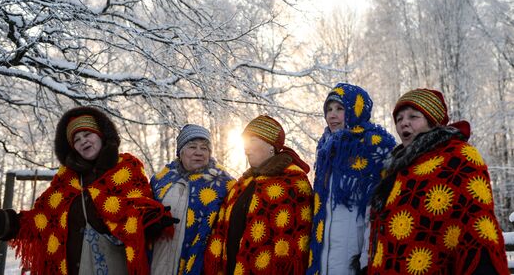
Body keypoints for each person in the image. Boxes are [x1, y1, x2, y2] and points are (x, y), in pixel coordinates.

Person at [0, 106, 176, 275]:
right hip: (73, 267)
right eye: (77, 139)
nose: (83, 140)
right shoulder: (65, 181)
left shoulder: (126, 168)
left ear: (102, 136)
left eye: (87, 134)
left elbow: (138, 206)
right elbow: (40, 220)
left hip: (116, 264)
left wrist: (151, 220)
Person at [367, 88, 510, 274]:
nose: (404, 123)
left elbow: (476, 224)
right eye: (399, 119)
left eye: (413, 116)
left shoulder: (458, 157)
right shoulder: (396, 168)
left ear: (432, 121)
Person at [204, 115, 313, 274]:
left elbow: (296, 240)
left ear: (271, 145)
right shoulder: (242, 184)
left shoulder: (293, 181)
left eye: (252, 141)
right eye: (245, 142)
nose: (246, 148)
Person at [307, 83, 396, 275]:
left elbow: (378, 211)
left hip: (355, 260)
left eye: (340, 109)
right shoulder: (325, 152)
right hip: (323, 261)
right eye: (329, 109)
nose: (332, 115)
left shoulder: (374, 150)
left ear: (356, 110)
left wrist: (365, 261)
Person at [149, 124, 234, 274]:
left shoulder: (223, 184)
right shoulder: (161, 181)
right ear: (180, 152)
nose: (199, 153)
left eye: (204, 148)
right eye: (192, 147)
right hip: (160, 261)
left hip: (200, 265)